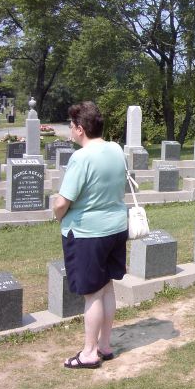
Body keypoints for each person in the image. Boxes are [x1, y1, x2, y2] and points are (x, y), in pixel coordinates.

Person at [53, 101, 128, 370]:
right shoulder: (117, 149)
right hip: (116, 228)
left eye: (71, 126)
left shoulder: (81, 157)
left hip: (88, 233)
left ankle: (89, 353)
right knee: (107, 288)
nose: (70, 131)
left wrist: (57, 214)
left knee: (92, 294)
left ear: (80, 129)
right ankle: (104, 345)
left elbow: (63, 201)